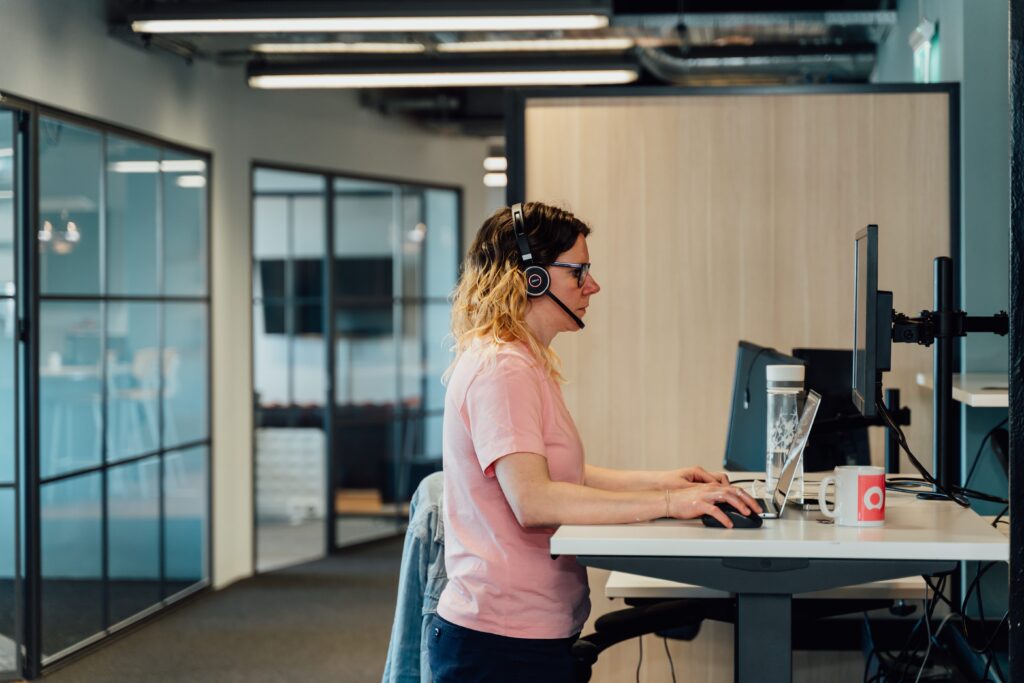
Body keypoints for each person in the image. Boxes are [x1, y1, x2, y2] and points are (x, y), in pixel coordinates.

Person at [427, 202, 760, 682]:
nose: (592, 285)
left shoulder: (523, 361)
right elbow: (535, 501)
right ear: (532, 278)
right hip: (501, 643)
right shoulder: (501, 369)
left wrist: (667, 483)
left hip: (520, 634)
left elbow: (564, 477)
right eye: (578, 272)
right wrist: (670, 504)